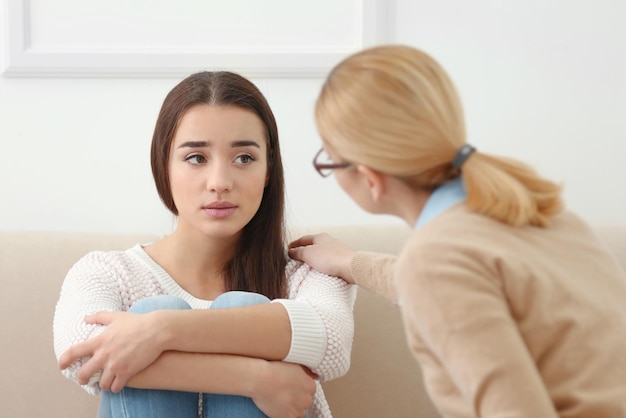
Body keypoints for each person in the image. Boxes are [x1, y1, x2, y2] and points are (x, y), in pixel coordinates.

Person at [288, 44, 626, 417]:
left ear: (369, 178)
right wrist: (350, 263)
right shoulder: (541, 211)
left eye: (329, 161)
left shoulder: (437, 261)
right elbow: (466, 283)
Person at [53, 71, 356, 418]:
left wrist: (160, 330)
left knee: (236, 305)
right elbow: (83, 356)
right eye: (196, 158)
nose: (220, 182)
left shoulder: (309, 273)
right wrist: (254, 378)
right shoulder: (108, 272)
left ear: (269, 169)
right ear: (163, 165)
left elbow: (330, 342)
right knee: (151, 309)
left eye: (244, 158)